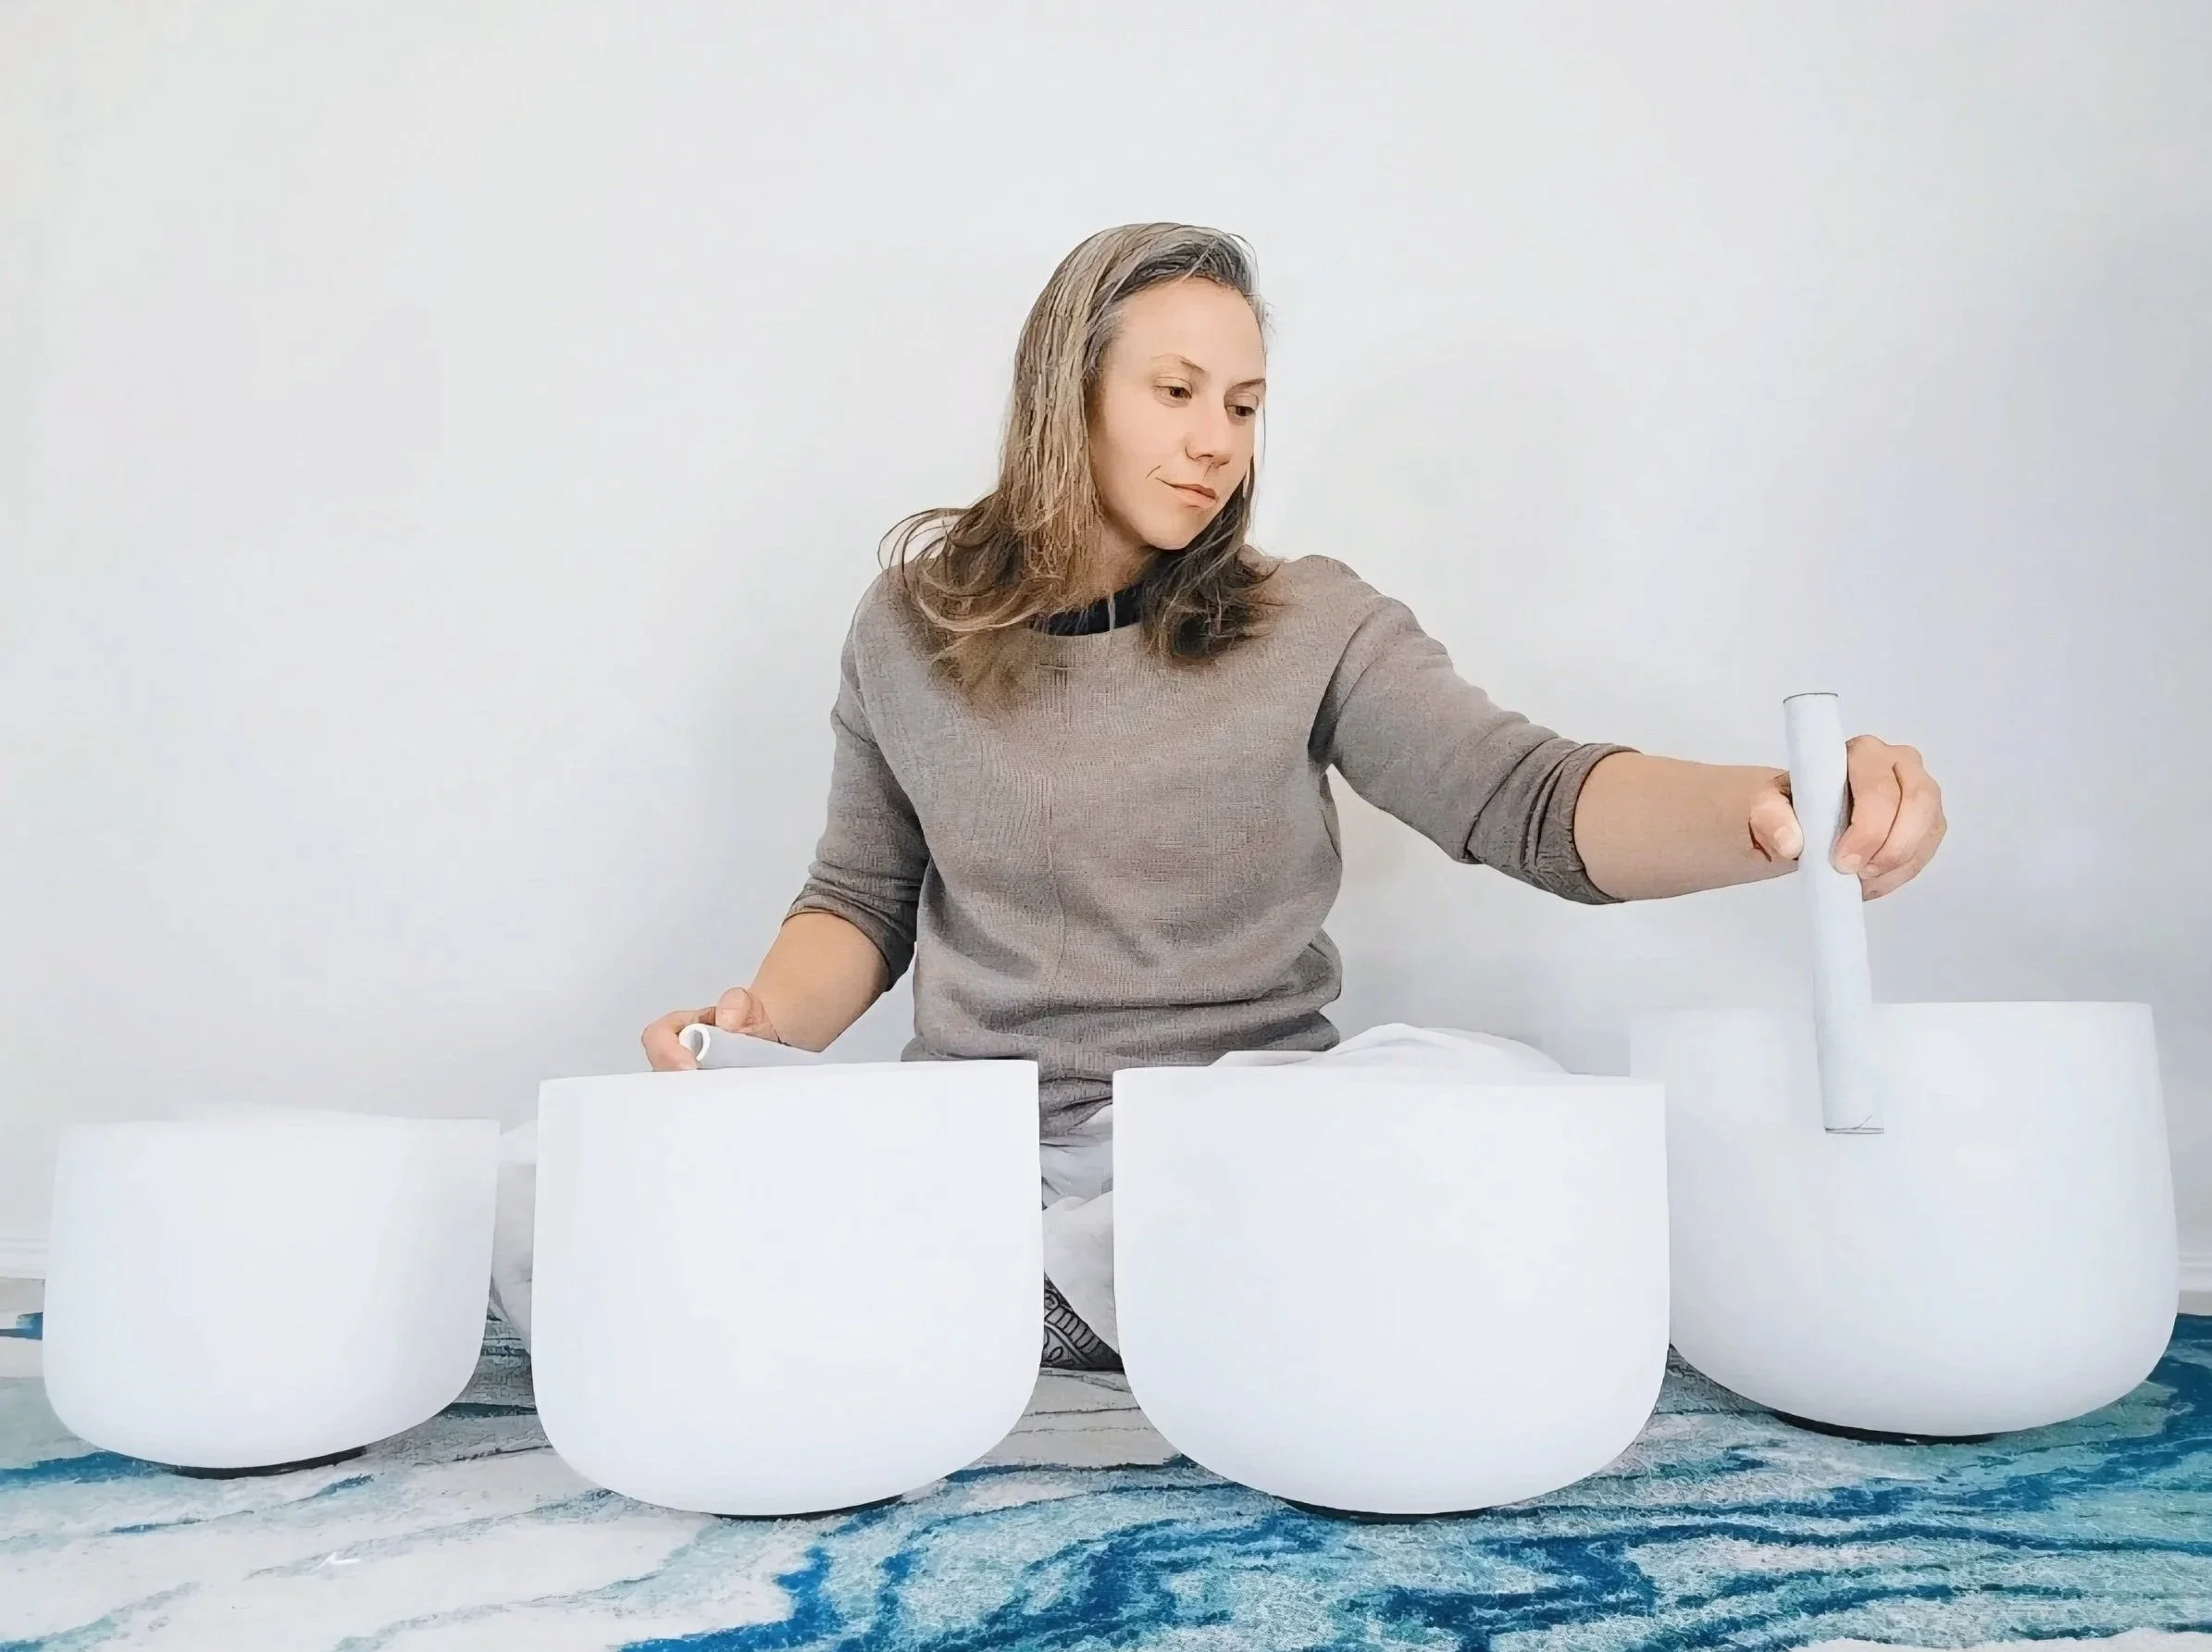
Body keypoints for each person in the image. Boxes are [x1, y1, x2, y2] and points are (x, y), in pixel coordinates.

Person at [634, 222, 1947, 1369]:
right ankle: (1074, 1285)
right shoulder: (906, 627)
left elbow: (1526, 800)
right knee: (577, 1193)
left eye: (1245, 405)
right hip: (983, 1141)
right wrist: (757, 1031)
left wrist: (1785, 804)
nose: (1215, 442)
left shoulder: (1309, 621)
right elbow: (859, 897)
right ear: (1065, 394)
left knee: (1494, 1105)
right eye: (1176, 390)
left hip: (1241, 1135)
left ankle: (1056, 1293)